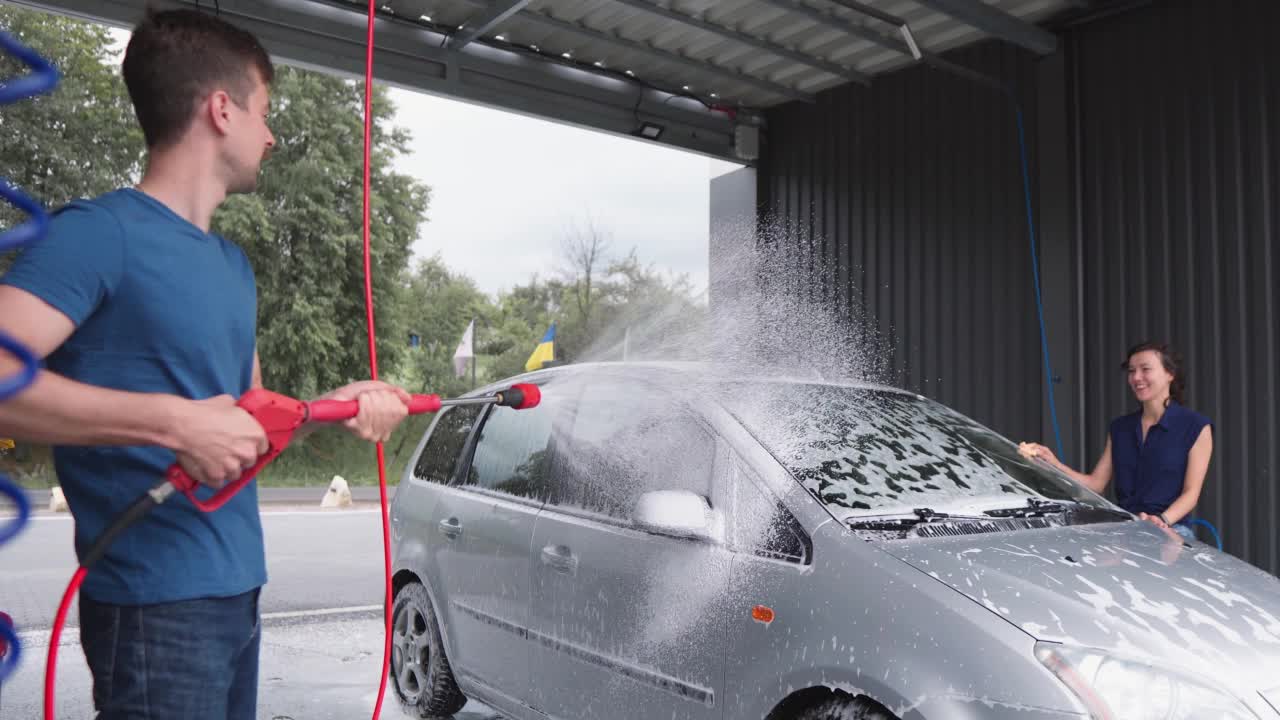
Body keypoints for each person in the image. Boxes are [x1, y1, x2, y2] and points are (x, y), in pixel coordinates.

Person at [0, 8, 411, 718]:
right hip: (151, 602)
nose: (272, 134)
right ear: (222, 109)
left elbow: (241, 432)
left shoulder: (231, 265)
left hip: (237, 589)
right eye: (265, 112)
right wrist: (175, 423)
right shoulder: (97, 234)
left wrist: (332, 409)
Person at [1021, 341, 1213, 543]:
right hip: (1126, 529)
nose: (1136, 377)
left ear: (1169, 374)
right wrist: (1053, 463)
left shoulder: (1196, 426)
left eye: (1145, 369)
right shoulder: (1120, 428)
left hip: (1172, 529)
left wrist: (1161, 521)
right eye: (1131, 371)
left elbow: (1191, 493)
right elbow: (1095, 485)